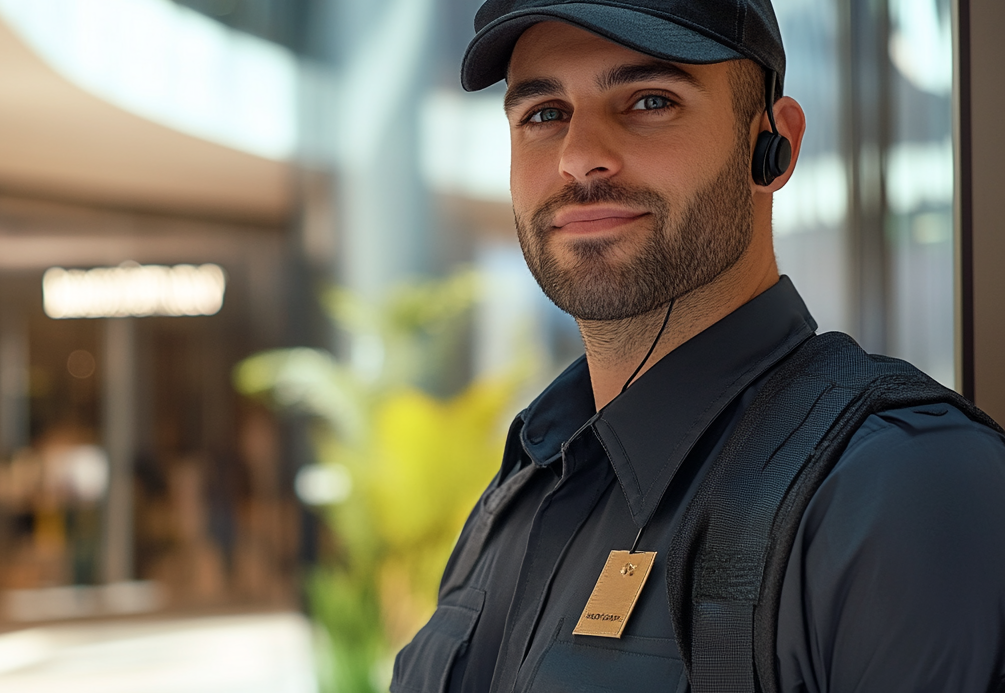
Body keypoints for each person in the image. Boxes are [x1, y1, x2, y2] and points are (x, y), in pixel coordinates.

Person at [390, 0, 1005, 691]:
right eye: (544, 114)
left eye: (649, 100)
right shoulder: (520, 488)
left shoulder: (900, 491)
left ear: (773, 146)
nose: (578, 156)